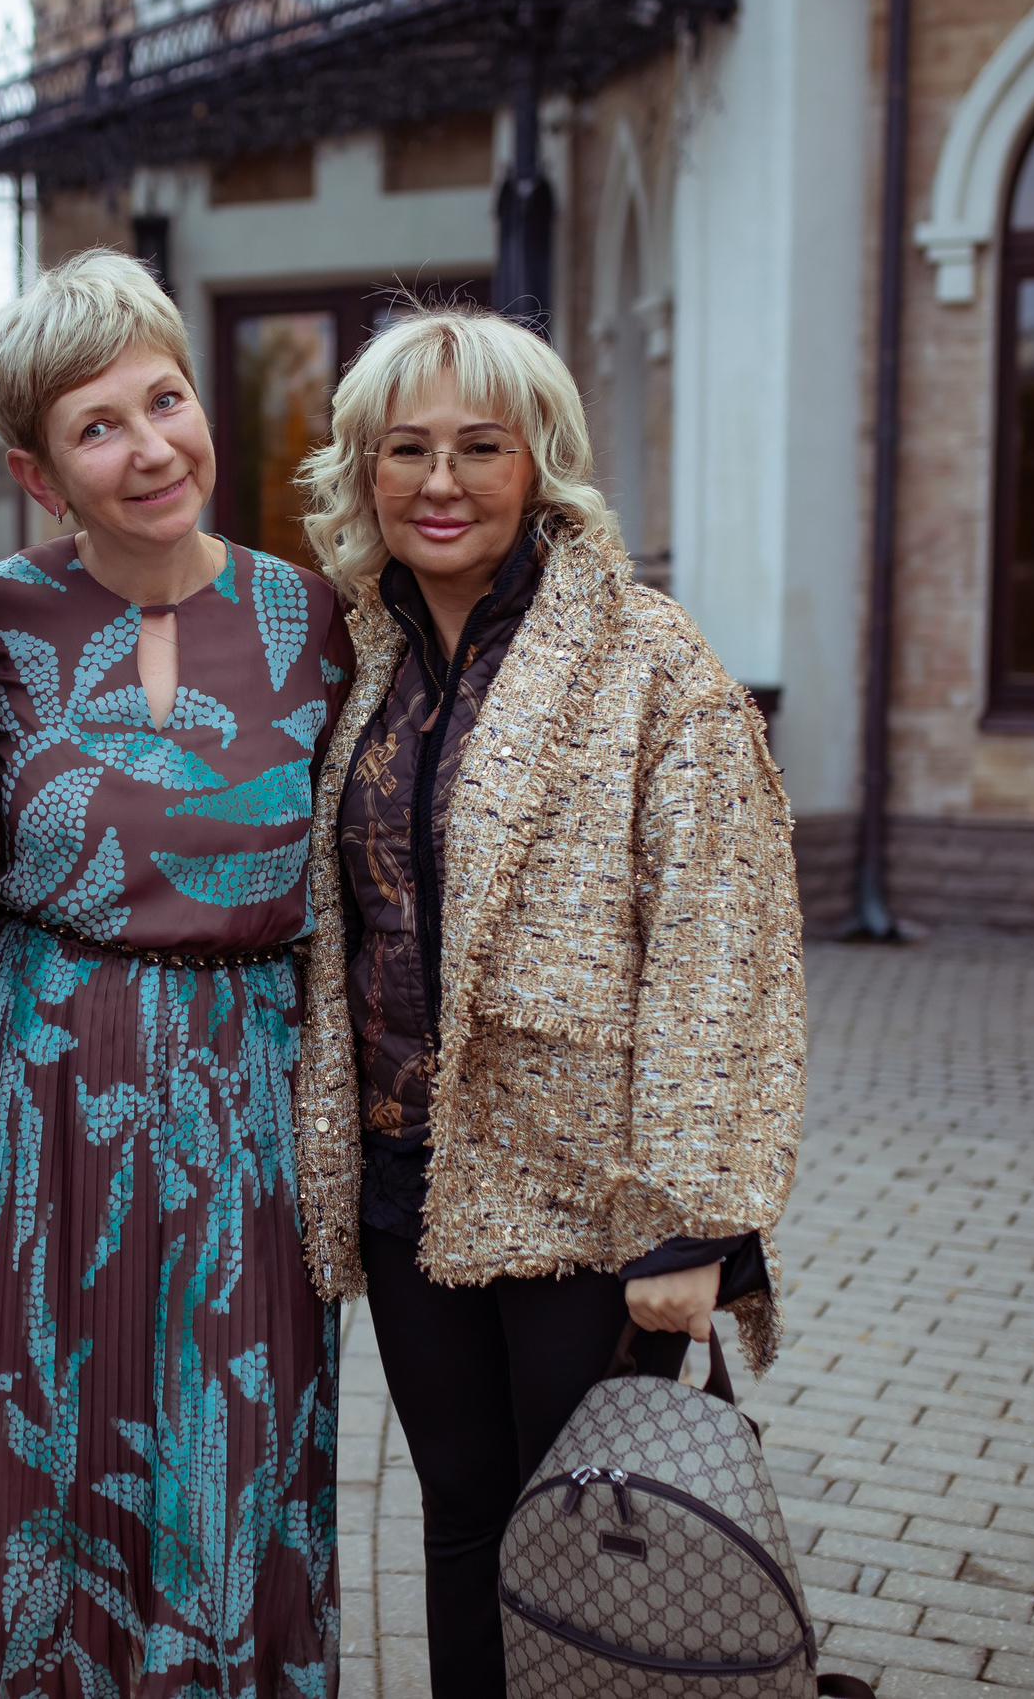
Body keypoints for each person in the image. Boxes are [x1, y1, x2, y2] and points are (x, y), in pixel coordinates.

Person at [289, 305, 806, 1699]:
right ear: (364, 469)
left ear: (542, 467)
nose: (439, 482)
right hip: (413, 1190)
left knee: (581, 1533)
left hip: (590, 1200)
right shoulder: (367, 665)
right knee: (458, 1518)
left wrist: (699, 1223)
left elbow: (724, 947)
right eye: (406, 449)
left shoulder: (652, 663)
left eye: (479, 447)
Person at [0, 250, 349, 1697]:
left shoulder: (326, 622)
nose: (151, 445)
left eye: (164, 399)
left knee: (237, 1446)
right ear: (43, 477)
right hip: (40, 1092)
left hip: (252, 1100)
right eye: (99, 427)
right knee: (35, 1433)